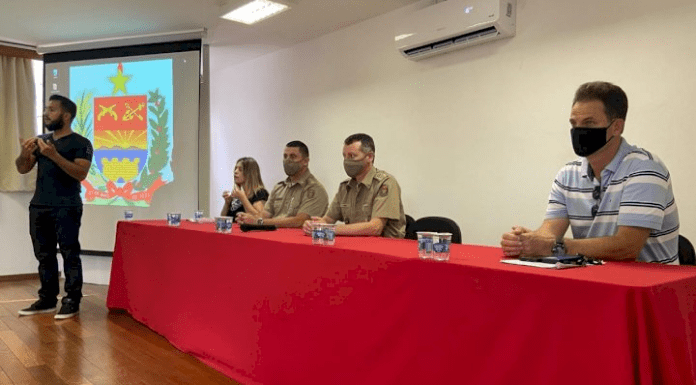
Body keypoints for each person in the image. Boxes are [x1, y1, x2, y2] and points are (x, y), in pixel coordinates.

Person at [500, 81, 679, 263]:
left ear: (616, 127)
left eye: (589, 123)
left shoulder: (644, 169)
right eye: (574, 123)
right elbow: (550, 231)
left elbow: (627, 247)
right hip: (596, 281)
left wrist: (556, 246)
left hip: (651, 287)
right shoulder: (567, 175)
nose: (578, 130)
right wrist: (526, 241)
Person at [15, 94, 94, 319]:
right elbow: (23, 168)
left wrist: (54, 155)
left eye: (52, 110)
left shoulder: (81, 143)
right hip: (39, 205)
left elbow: (81, 173)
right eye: (46, 109)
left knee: (70, 253)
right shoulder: (41, 140)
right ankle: (47, 299)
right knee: (44, 255)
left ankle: (71, 300)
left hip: (66, 206)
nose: (46, 114)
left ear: (66, 115)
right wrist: (24, 153)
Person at [302, 133, 406, 238]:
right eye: (344, 156)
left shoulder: (385, 183)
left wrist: (328, 229)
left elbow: (375, 228)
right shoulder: (345, 187)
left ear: (369, 157)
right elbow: (327, 219)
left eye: (352, 156)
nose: (347, 161)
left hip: (384, 248)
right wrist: (314, 224)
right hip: (355, 246)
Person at [236, 141, 329, 227]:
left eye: (293, 157)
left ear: (305, 161)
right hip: (272, 238)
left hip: (296, 242)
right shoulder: (279, 188)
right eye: (285, 156)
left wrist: (258, 222)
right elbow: (264, 216)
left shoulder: (314, 189)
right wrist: (248, 218)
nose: (287, 160)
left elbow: (300, 221)